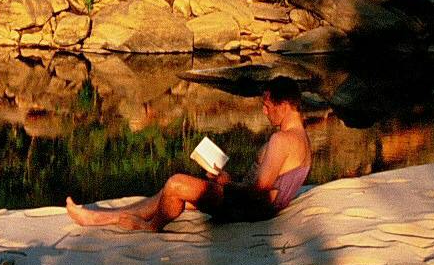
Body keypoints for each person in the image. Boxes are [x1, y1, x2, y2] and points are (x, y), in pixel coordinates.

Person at [66, 78, 313, 232]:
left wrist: (228, 184)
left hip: (248, 209)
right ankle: (99, 218)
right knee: (165, 195)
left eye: (267, 106)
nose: (264, 111)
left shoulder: (282, 139)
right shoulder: (302, 139)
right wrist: (229, 179)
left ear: (283, 106)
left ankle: (150, 228)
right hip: (252, 206)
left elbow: (261, 187)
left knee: (175, 183)